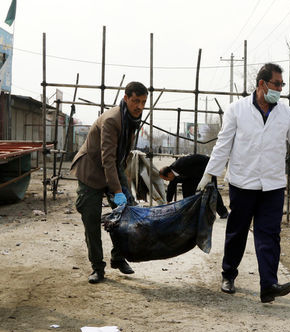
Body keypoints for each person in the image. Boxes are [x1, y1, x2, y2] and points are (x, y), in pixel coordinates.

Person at [197, 63, 290, 303]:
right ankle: (228, 274)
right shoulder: (237, 110)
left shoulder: (285, 113)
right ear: (261, 84)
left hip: (273, 186)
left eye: (281, 84)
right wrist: (209, 174)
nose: (280, 89)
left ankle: (268, 284)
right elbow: (223, 144)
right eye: (276, 84)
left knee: (269, 234)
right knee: (237, 232)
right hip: (243, 183)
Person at [71, 81, 148, 284]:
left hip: (113, 167)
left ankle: (118, 257)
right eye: (135, 101)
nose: (139, 106)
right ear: (126, 98)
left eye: (142, 102)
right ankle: (97, 268)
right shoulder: (113, 119)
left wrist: (124, 187)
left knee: (125, 215)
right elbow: (107, 158)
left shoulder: (132, 118)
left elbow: (120, 156)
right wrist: (117, 190)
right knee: (92, 219)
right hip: (91, 170)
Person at [159, 154, 228, 218]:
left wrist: (210, 170)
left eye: (165, 179)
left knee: (213, 191)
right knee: (186, 188)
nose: (166, 181)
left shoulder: (182, 163)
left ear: (169, 174)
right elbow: (171, 186)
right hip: (193, 176)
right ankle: (189, 211)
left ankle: (223, 212)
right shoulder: (173, 173)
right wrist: (168, 201)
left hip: (206, 170)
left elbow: (201, 158)